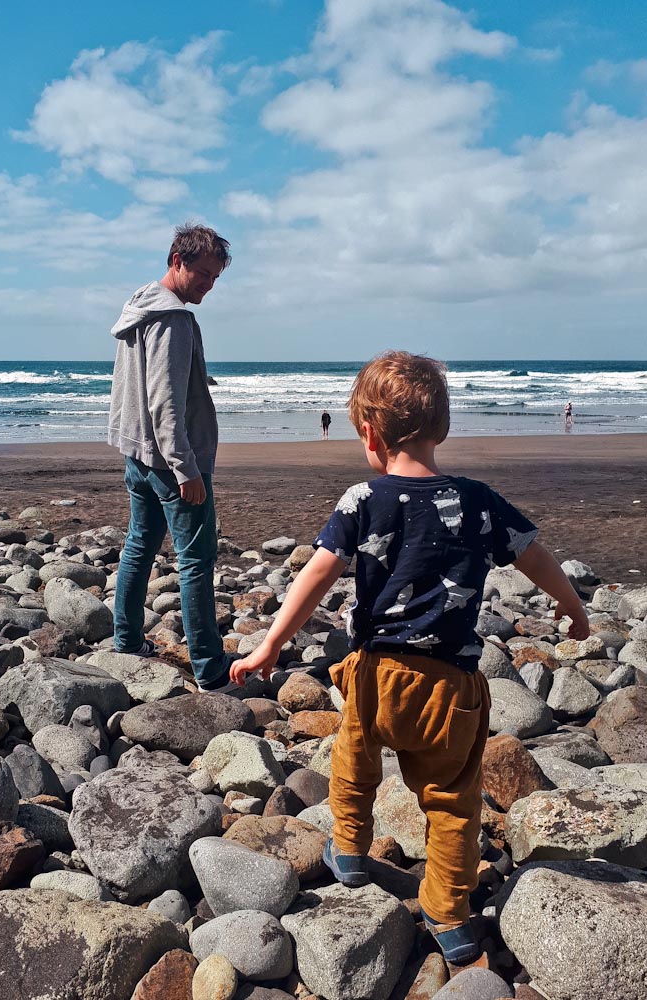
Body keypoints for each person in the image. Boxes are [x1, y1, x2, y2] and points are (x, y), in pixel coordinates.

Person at [231, 351, 589, 964]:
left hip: (375, 677)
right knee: (452, 798)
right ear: (440, 428)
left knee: (353, 758)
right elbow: (534, 555)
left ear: (370, 434)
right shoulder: (479, 500)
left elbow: (318, 574)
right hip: (451, 686)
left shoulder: (364, 497)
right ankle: (450, 916)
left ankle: (347, 852)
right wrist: (572, 605)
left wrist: (270, 644)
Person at [107, 223, 237, 692]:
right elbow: (164, 402)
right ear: (176, 261)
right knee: (196, 562)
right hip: (171, 461)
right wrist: (187, 468)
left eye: (215, 277)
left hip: (137, 454)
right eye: (202, 273)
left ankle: (126, 642)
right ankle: (209, 668)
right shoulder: (173, 320)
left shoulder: (139, 307)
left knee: (139, 546)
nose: (208, 285)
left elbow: (141, 388)